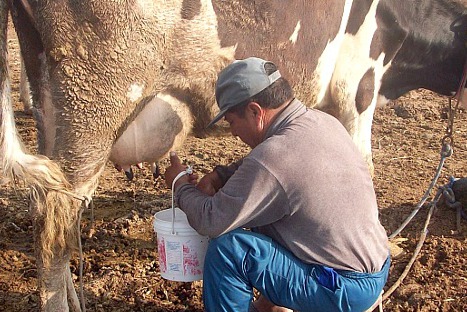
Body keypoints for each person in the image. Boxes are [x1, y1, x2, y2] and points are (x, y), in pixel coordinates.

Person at [164, 57, 390, 312]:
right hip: (374, 268)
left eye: (231, 122)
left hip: (341, 289)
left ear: (255, 111)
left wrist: (180, 184)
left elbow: (211, 220)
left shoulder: (273, 158)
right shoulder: (321, 122)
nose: (234, 133)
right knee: (273, 215)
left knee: (228, 251)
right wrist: (219, 176)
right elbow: (270, 167)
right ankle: (271, 307)